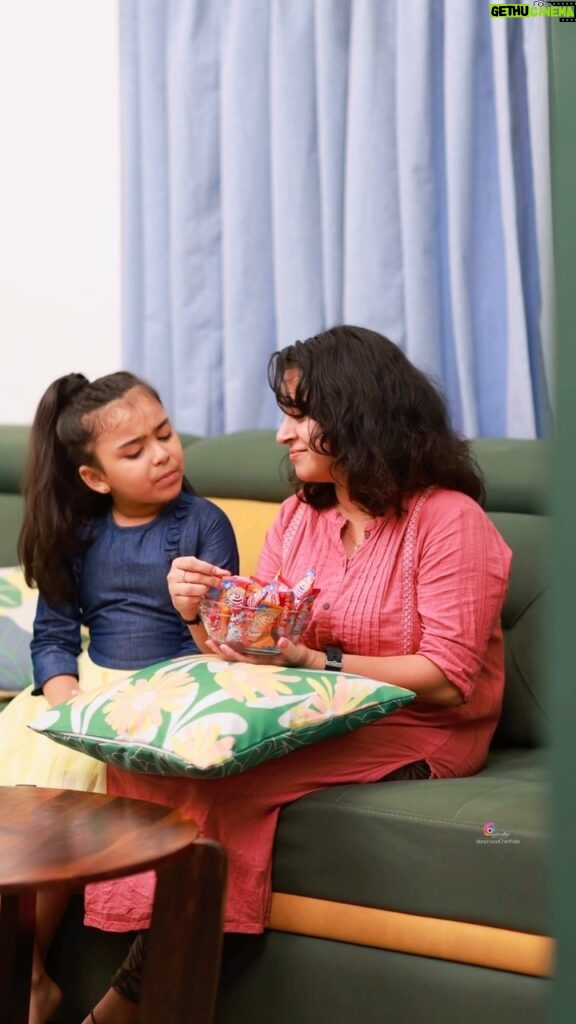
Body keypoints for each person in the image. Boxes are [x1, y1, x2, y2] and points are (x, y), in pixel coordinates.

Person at [81, 326, 512, 1024]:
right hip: (314, 707)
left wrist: (317, 661)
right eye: (285, 413)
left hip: (419, 727)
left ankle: (128, 1005)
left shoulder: (447, 520)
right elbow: (257, 649)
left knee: (224, 779)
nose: (283, 435)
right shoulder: (296, 518)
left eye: (298, 414)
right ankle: (155, 979)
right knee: (144, 760)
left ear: (357, 415)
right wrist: (198, 612)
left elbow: (446, 676)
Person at [0, 370, 238, 1024]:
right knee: (34, 775)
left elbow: (221, 642)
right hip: (83, 691)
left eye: (164, 434)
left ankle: (30, 978)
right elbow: (51, 636)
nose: (162, 454)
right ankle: (32, 976)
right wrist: (65, 694)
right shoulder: (80, 535)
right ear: (95, 478)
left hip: (169, 690)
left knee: (67, 789)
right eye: (134, 450)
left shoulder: (204, 523)